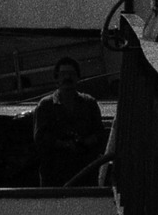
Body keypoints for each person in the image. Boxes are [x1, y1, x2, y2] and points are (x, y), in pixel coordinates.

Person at [33, 57, 106, 188]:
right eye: (63, 74)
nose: (67, 77)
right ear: (57, 78)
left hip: (85, 173)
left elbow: (100, 134)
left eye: (71, 74)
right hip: (54, 175)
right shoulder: (45, 106)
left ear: (78, 77)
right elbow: (40, 138)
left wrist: (85, 143)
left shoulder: (89, 103)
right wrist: (64, 145)